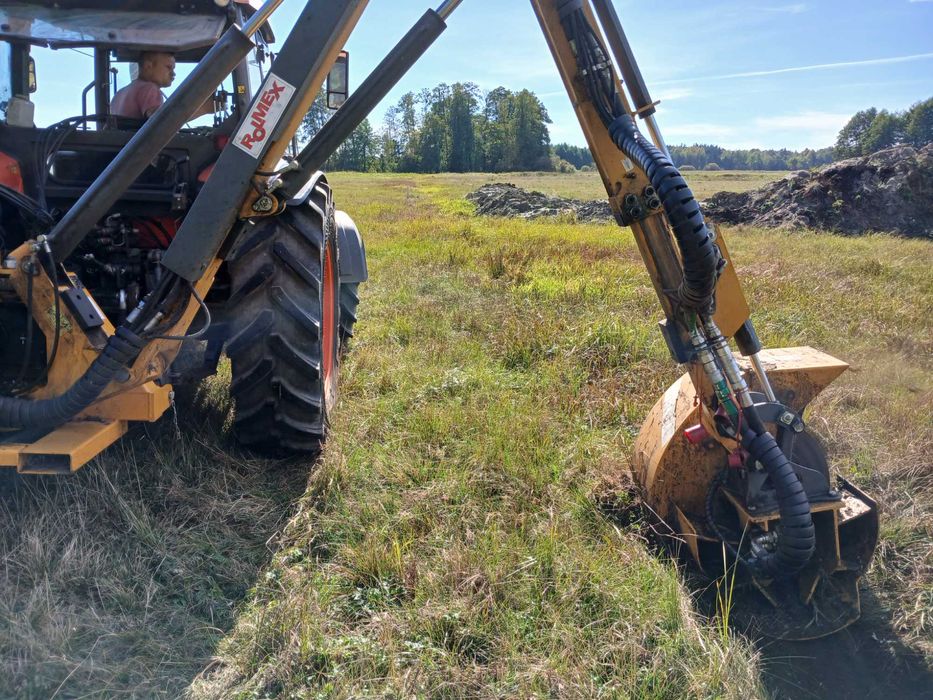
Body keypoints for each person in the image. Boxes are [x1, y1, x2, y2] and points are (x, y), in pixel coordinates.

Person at [110, 51, 213, 121]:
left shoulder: (119, 94)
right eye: (169, 67)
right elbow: (161, 121)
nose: (173, 74)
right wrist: (204, 108)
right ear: (148, 66)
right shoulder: (149, 89)